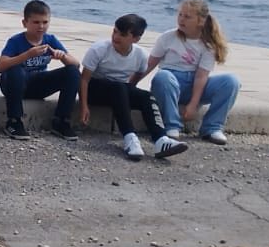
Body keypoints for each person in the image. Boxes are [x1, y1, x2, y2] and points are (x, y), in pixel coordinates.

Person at [80, 13, 190, 161]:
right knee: (119, 88)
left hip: (119, 91)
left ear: (136, 38)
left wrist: (127, 96)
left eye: (122, 34)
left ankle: (161, 139)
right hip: (95, 88)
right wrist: (84, 106)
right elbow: (84, 79)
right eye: (115, 31)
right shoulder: (99, 49)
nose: (116, 37)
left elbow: (135, 80)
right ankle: (129, 137)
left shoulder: (140, 55)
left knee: (146, 96)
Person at [147, 0, 240, 145]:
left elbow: (201, 76)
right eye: (180, 15)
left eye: (187, 17)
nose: (181, 19)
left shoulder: (208, 45)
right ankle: (171, 125)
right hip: (169, 83)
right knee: (163, 76)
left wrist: (193, 104)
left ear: (200, 21)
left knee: (231, 81)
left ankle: (212, 127)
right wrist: (130, 85)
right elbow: (149, 64)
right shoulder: (168, 37)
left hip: (195, 84)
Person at [0, 0, 81, 140]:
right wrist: (26, 55)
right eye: (36, 22)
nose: (41, 26)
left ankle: (61, 121)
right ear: (25, 23)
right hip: (15, 84)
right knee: (15, 70)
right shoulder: (16, 41)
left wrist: (62, 56)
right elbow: (1, 66)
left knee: (72, 72)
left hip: (38, 84)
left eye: (45, 22)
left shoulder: (50, 40)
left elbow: (76, 64)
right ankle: (14, 121)